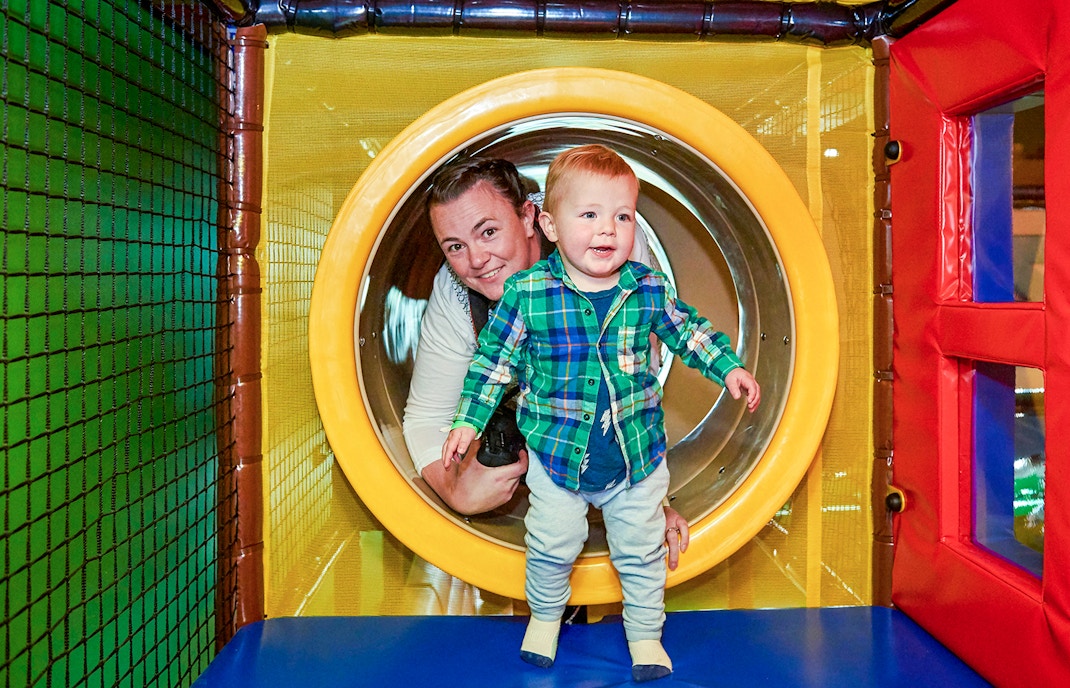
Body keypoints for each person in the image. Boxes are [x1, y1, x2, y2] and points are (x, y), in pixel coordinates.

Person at [441, 145, 761, 681]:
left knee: (640, 553)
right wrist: (467, 422)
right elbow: (493, 362)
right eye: (588, 215)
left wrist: (727, 366)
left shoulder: (647, 288)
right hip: (558, 457)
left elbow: (688, 331)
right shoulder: (527, 293)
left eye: (622, 216)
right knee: (551, 545)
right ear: (549, 224)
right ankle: (543, 620)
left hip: (633, 456)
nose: (607, 230)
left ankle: (645, 637)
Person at [402, 157, 692, 570]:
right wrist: (455, 491)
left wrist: (651, 505)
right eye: (455, 246)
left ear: (528, 218)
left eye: (488, 232)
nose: (477, 259)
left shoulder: (606, 241)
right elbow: (426, 416)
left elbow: (631, 389)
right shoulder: (456, 293)